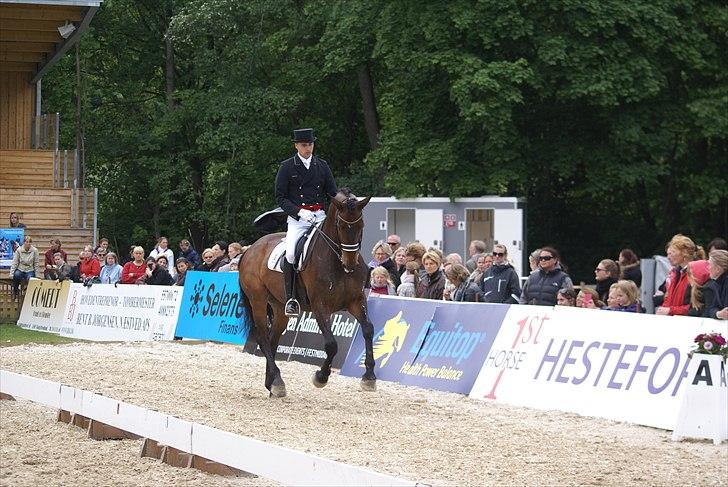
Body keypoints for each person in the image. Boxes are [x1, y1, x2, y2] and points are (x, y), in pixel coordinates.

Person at [275, 127, 338, 316]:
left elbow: (332, 193)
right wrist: (298, 211)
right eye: (304, 145)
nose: (308, 148)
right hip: (298, 219)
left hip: (320, 216)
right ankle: (291, 298)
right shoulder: (287, 167)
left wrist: (346, 202)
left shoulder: (322, 165)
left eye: (310, 144)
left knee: (337, 246)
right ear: (296, 146)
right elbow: (280, 197)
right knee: (292, 254)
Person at [656, 234, 705, 316]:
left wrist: (670, 311)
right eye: (668, 254)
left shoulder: (697, 274)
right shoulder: (675, 273)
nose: (668, 257)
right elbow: (668, 300)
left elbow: (697, 307)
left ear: (684, 252)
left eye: (672, 253)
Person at [704, 250, 728, 320]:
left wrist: (719, 313)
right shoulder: (716, 283)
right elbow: (711, 308)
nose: (707, 268)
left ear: (718, 269)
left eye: (709, 264)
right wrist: (718, 314)